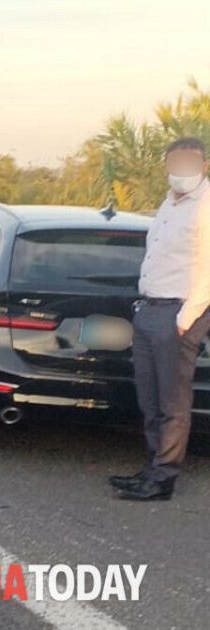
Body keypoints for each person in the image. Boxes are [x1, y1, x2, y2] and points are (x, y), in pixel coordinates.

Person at [111, 137, 210, 501]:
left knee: (172, 399)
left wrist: (184, 320)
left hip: (180, 311)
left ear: (204, 166)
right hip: (150, 308)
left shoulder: (205, 207)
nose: (181, 169)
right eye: (175, 161)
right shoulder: (169, 203)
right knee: (149, 396)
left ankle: (164, 477)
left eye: (190, 161)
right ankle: (152, 467)